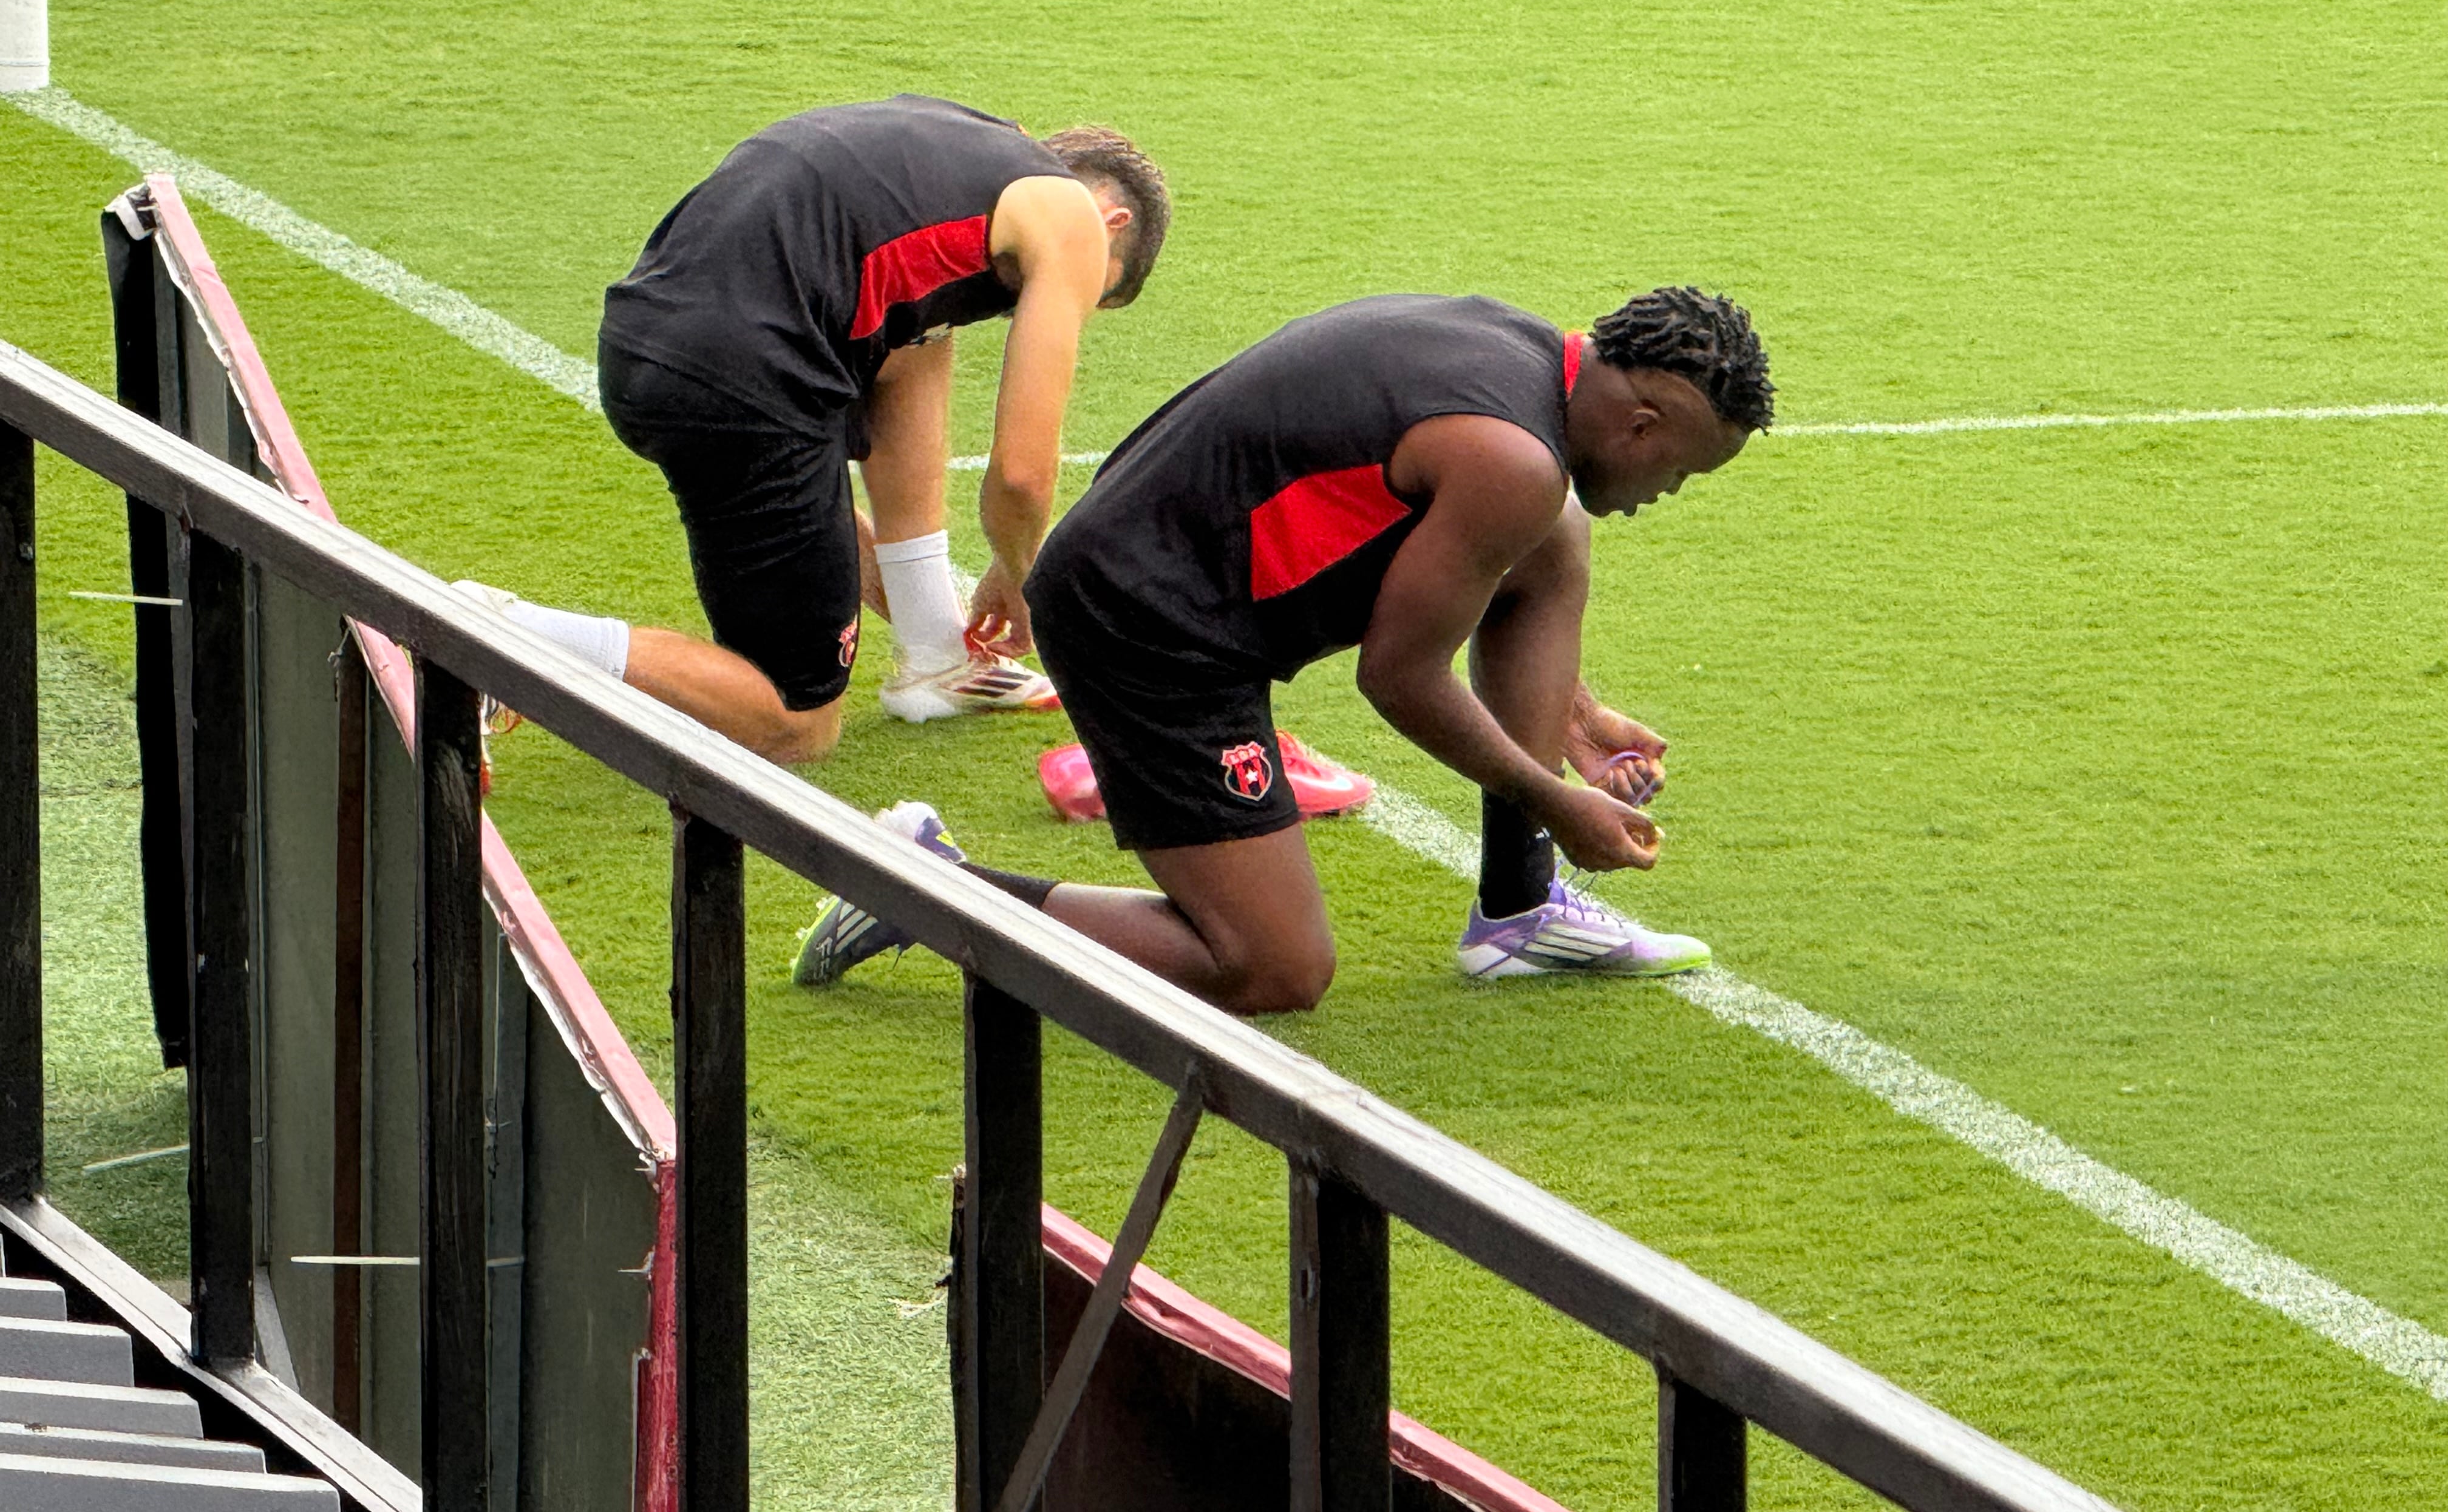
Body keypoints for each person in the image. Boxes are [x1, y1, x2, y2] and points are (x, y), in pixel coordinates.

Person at [797, 286, 1771, 1013]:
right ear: (1643, 425)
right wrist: (1555, 798)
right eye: (1680, 472)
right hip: (1144, 631)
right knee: (1271, 968)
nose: (1663, 495)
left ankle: (1519, 916)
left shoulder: (1520, 357)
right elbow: (1398, 677)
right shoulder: (1509, 457)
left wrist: (1574, 714)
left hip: (1168, 579)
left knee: (1557, 529)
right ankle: (925, 886)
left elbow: (1475, 567)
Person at [457, 95, 1170, 761]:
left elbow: (899, 328)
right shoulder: (1071, 218)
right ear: (1112, 225)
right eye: (1094, 294)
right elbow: (1019, 475)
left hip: (649, 342)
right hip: (745, 386)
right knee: (797, 722)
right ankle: (507, 637)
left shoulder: (971, 147)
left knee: (922, 336)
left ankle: (934, 651)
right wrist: (1022, 577)